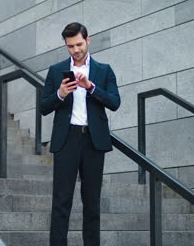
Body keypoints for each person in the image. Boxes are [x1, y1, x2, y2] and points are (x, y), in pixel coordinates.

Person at [40, 22, 121, 246]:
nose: (75, 50)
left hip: (93, 141)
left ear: (88, 40)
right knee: (61, 202)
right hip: (67, 140)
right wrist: (61, 93)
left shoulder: (104, 70)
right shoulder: (56, 71)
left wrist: (91, 87)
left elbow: (115, 102)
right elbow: (44, 107)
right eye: (70, 46)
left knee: (92, 202)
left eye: (78, 44)